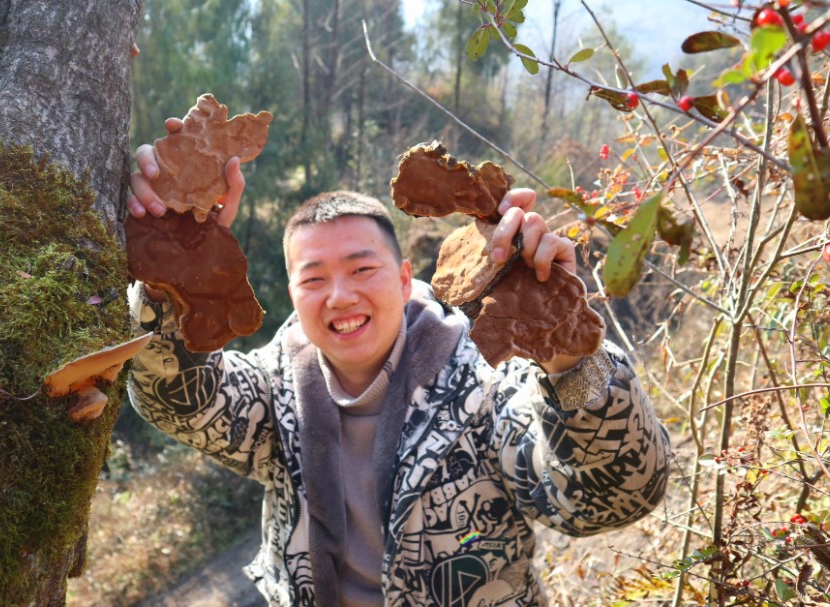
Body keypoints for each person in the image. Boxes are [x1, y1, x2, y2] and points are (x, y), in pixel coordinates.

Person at [124, 120, 672, 607]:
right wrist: (177, 262)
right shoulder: (275, 391)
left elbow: (609, 502)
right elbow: (182, 399)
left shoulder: (487, 387)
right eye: (313, 278)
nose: (339, 296)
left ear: (407, 278)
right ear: (291, 293)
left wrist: (569, 356)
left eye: (363, 269)